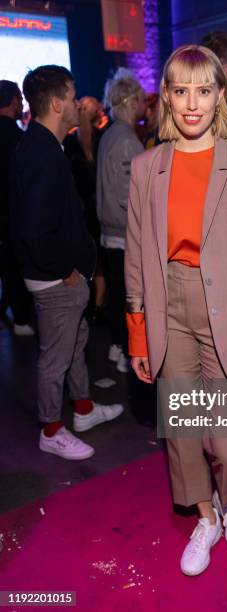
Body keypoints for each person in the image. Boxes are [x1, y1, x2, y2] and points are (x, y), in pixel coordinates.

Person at [125, 45, 227, 576]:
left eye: (204, 90)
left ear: (221, 94)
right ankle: (206, 514)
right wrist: (138, 335)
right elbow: (137, 257)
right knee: (185, 432)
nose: (192, 104)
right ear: (166, 96)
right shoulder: (147, 167)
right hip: (169, 304)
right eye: (181, 91)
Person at [10, 65, 123, 460]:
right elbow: (34, 229)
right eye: (73, 96)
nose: (77, 103)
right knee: (55, 358)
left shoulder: (43, 146)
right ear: (57, 103)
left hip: (57, 274)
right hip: (55, 278)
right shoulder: (40, 153)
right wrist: (66, 272)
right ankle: (51, 430)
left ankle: (84, 410)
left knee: (74, 346)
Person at [97, 68, 146, 373]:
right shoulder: (127, 140)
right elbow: (127, 194)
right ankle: (128, 352)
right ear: (130, 101)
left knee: (117, 294)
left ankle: (118, 347)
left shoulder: (111, 134)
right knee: (130, 298)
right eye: (141, 98)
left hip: (109, 233)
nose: (145, 103)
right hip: (124, 234)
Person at [64, 96, 107, 323]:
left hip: (83, 210)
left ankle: (91, 306)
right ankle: (98, 307)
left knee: (90, 258)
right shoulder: (100, 139)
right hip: (94, 207)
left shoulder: (71, 142)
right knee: (100, 260)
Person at [0, 80, 34, 335]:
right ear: (12, 101)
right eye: (20, 99)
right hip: (13, 214)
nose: (22, 104)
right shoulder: (18, 138)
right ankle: (21, 317)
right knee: (15, 265)